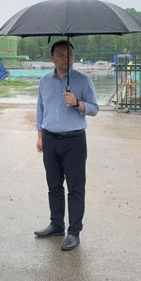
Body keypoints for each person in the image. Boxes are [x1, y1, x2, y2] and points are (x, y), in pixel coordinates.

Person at [35, 41, 99, 251]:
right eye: (61, 55)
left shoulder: (83, 81)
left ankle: (74, 232)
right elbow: (41, 109)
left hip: (74, 141)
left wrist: (77, 103)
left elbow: (94, 108)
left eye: (70, 54)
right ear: (52, 58)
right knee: (54, 185)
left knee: (75, 187)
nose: (66, 58)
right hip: (50, 138)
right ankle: (56, 225)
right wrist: (40, 136)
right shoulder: (45, 81)